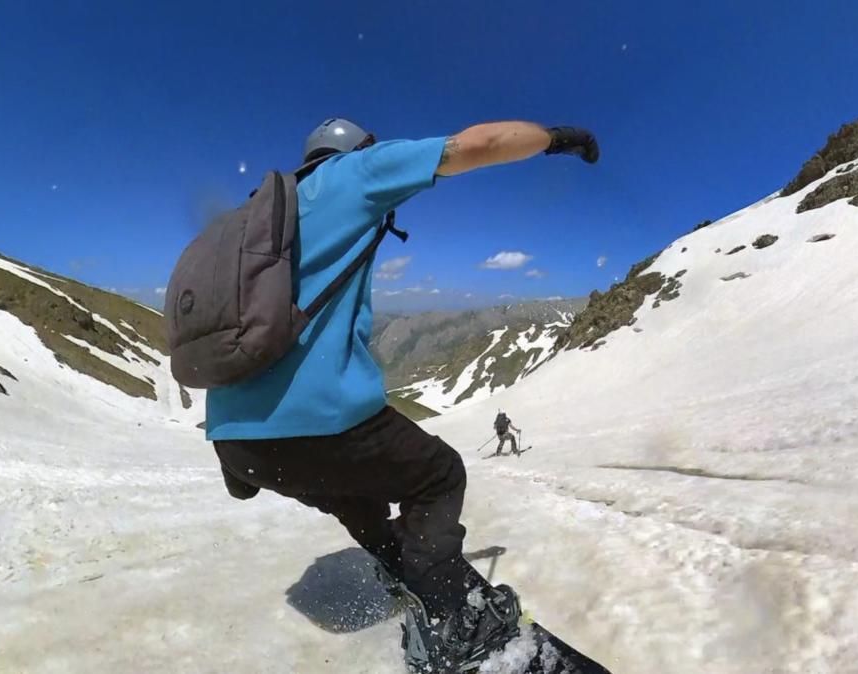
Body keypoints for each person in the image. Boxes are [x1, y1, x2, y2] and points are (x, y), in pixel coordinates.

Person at [208, 118, 598, 671]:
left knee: (353, 496)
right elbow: (477, 145)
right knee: (439, 475)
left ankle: (406, 576)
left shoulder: (251, 221)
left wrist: (239, 452)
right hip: (317, 422)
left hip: (239, 446)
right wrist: (555, 138)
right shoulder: (351, 173)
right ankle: (457, 627)